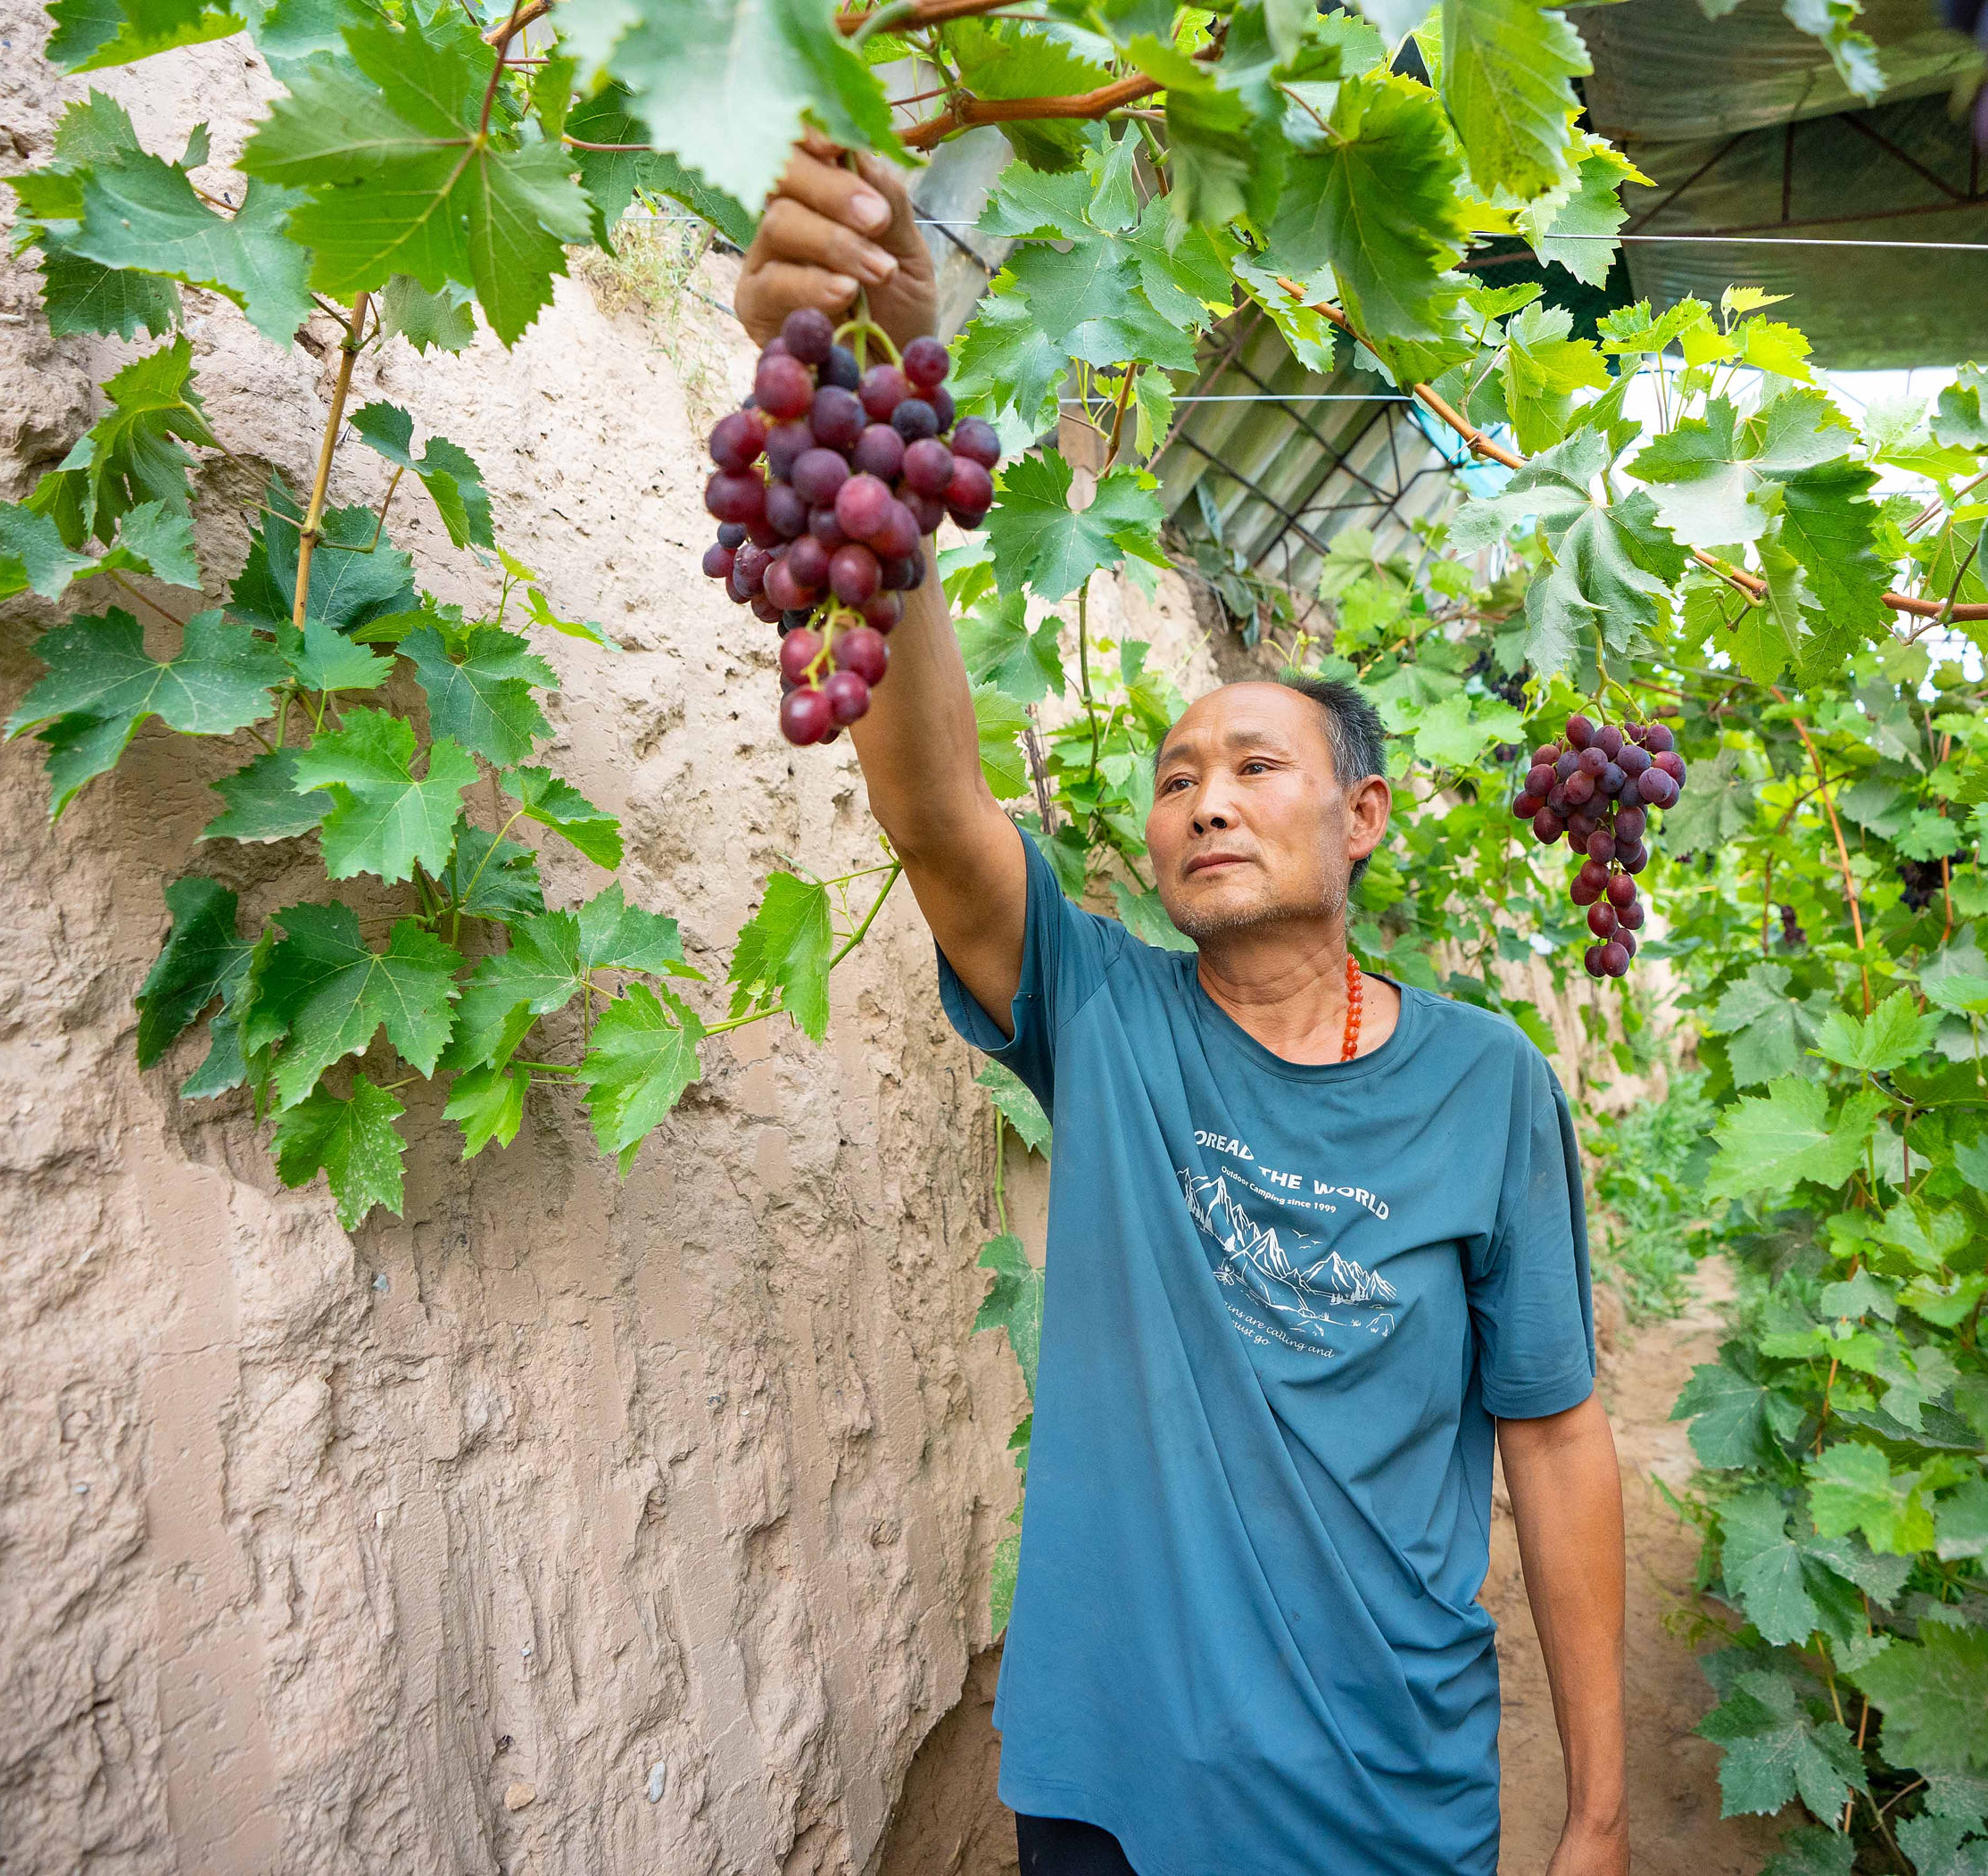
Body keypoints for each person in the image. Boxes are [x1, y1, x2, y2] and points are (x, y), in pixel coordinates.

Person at [734, 139, 1629, 1876]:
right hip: (1105, 1788)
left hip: (1386, 1797)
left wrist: (1595, 1814)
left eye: (1252, 764)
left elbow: (1557, 1429)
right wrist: (872, 420)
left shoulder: (1486, 1086)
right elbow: (930, 812)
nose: (1203, 798)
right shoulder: (1105, 1020)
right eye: (1171, 776)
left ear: (1358, 816)